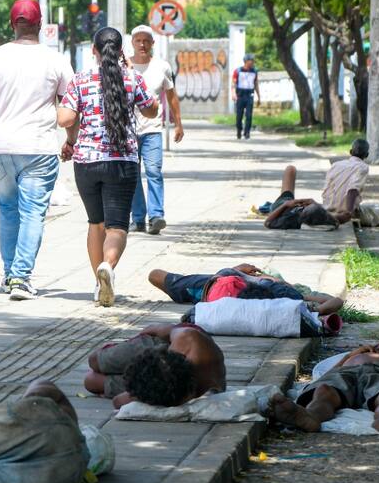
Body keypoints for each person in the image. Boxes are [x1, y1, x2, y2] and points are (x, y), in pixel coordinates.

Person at [0, 0, 74, 301]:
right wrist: (71, 141)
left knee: (8, 211)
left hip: (0, 148)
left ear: (13, 24)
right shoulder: (57, 60)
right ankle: (21, 278)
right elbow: (70, 106)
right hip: (39, 148)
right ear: (39, 25)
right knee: (33, 213)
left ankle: (10, 273)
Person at [58, 27, 158, 307]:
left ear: (94, 50)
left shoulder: (80, 80)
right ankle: (109, 268)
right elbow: (152, 110)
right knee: (117, 227)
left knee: (95, 223)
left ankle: (98, 283)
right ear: (121, 50)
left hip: (87, 163)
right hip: (122, 162)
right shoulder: (132, 78)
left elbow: (65, 119)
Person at [269, 336, 379, 436]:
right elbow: (321, 379)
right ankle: (310, 416)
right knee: (323, 390)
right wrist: (349, 357)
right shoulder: (355, 357)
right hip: (345, 374)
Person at [84, 323, 226, 408]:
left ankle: (120, 370)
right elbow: (163, 329)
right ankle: (117, 353)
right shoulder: (188, 338)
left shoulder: (201, 391)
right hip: (162, 345)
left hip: (162, 383)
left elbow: (118, 401)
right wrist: (151, 331)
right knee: (94, 361)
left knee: (90, 381)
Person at [127, 25, 184, 235]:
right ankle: (138, 218)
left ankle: (156, 216)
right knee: (131, 175)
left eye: (146, 41)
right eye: (138, 40)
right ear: (132, 43)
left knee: (153, 172)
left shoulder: (162, 66)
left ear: (152, 43)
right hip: (128, 132)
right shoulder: (124, 66)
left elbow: (171, 96)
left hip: (152, 131)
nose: (142, 44)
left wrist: (178, 123)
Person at [148, 264, 344, 316]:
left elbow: (154, 275)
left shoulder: (279, 292)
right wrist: (316, 310)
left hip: (216, 285)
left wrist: (235, 272)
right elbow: (335, 301)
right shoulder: (285, 297)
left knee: (157, 275)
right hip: (222, 283)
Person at [264, 165, 342, 230]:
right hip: (291, 205)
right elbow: (337, 222)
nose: (303, 206)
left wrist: (285, 205)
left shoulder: (291, 220)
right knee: (340, 214)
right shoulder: (324, 218)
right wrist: (315, 203)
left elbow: (267, 223)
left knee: (290, 169)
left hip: (281, 205)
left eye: (304, 208)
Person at [232, 54, 260, 140]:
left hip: (249, 95)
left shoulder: (254, 71)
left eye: (253, 60)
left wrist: (259, 97)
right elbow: (233, 84)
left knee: (249, 115)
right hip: (240, 95)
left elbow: (256, 84)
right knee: (239, 116)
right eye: (251, 60)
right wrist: (233, 93)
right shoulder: (237, 71)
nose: (252, 62)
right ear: (246, 61)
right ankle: (239, 130)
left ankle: (247, 132)